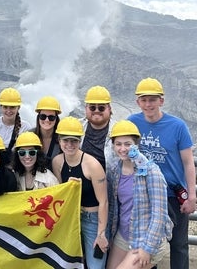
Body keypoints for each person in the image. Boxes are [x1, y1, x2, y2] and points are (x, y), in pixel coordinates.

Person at [128, 77, 196, 269]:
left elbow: (188, 162)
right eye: (144, 100)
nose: (148, 104)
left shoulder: (177, 126)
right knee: (148, 244)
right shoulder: (132, 123)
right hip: (144, 195)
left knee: (179, 245)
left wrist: (192, 196)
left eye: (152, 99)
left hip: (173, 195)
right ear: (138, 102)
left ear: (161, 101)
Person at [106, 120, 173, 269]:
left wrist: (147, 248)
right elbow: (114, 207)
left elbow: (159, 214)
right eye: (118, 144)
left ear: (136, 144)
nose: (123, 149)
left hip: (147, 238)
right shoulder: (115, 171)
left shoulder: (151, 171)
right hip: (123, 235)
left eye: (127, 144)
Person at [52, 116, 108, 269]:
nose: (70, 145)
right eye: (66, 140)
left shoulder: (92, 165)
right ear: (59, 140)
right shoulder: (57, 162)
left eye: (74, 141)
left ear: (80, 141)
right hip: (71, 217)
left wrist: (101, 234)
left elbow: (104, 201)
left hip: (93, 219)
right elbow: (61, 193)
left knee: (95, 266)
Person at [80, 86, 116, 171]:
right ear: (86, 108)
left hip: (110, 181)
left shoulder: (119, 130)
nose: (96, 111)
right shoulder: (76, 126)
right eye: (92, 107)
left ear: (109, 109)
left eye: (101, 108)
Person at [32, 96, 62, 171]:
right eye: (43, 116)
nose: (47, 120)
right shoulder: (29, 135)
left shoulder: (63, 139)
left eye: (51, 117)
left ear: (56, 119)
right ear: (38, 117)